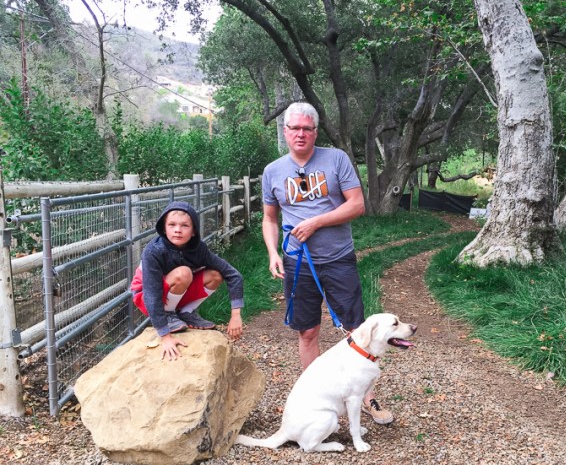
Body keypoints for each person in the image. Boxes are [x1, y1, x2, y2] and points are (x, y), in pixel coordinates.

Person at [261, 101, 393, 425]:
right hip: (297, 263)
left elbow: (357, 205)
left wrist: (316, 222)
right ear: (285, 131)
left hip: (337, 259)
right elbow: (270, 218)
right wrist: (273, 252)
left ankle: (367, 398)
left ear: (315, 132)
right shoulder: (273, 171)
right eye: (294, 128)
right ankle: (315, 396)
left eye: (307, 128)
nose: (300, 134)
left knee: (358, 331)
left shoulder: (336, 160)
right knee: (307, 332)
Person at [130, 201, 244, 361]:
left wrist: (236, 315)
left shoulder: (199, 249)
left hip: (172, 292)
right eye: (172, 225)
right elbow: (151, 294)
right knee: (184, 273)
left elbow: (233, 275)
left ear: (194, 231)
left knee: (215, 275)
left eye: (185, 225)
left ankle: (186, 312)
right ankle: (168, 316)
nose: (177, 230)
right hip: (145, 295)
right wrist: (165, 336)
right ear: (164, 228)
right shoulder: (154, 251)